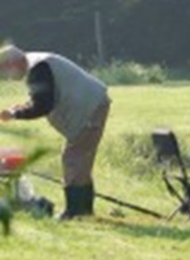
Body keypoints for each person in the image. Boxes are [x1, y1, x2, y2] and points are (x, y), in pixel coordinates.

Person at [0, 46, 110, 219]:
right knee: (78, 160)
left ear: (14, 62)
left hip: (89, 108)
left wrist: (15, 114)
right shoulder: (35, 63)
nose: (7, 76)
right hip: (92, 104)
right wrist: (17, 109)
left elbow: (43, 105)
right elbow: (40, 98)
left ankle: (76, 212)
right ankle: (84, 211)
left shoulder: (38, 69)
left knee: (74, 159)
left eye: (6, 70)